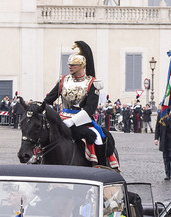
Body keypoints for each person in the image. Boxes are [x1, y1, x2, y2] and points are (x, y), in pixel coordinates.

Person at [43, 40, 118, 169]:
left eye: (74, 65)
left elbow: (89, 109)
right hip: (62, 117)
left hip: (81, 120)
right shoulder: (63, 81)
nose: (70, 67)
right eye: (69, 65)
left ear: (82, 66)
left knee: (97, 138)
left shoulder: (93, 83)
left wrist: (71, 122)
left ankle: (100, 166)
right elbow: (48, 100)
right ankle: (35, 159)